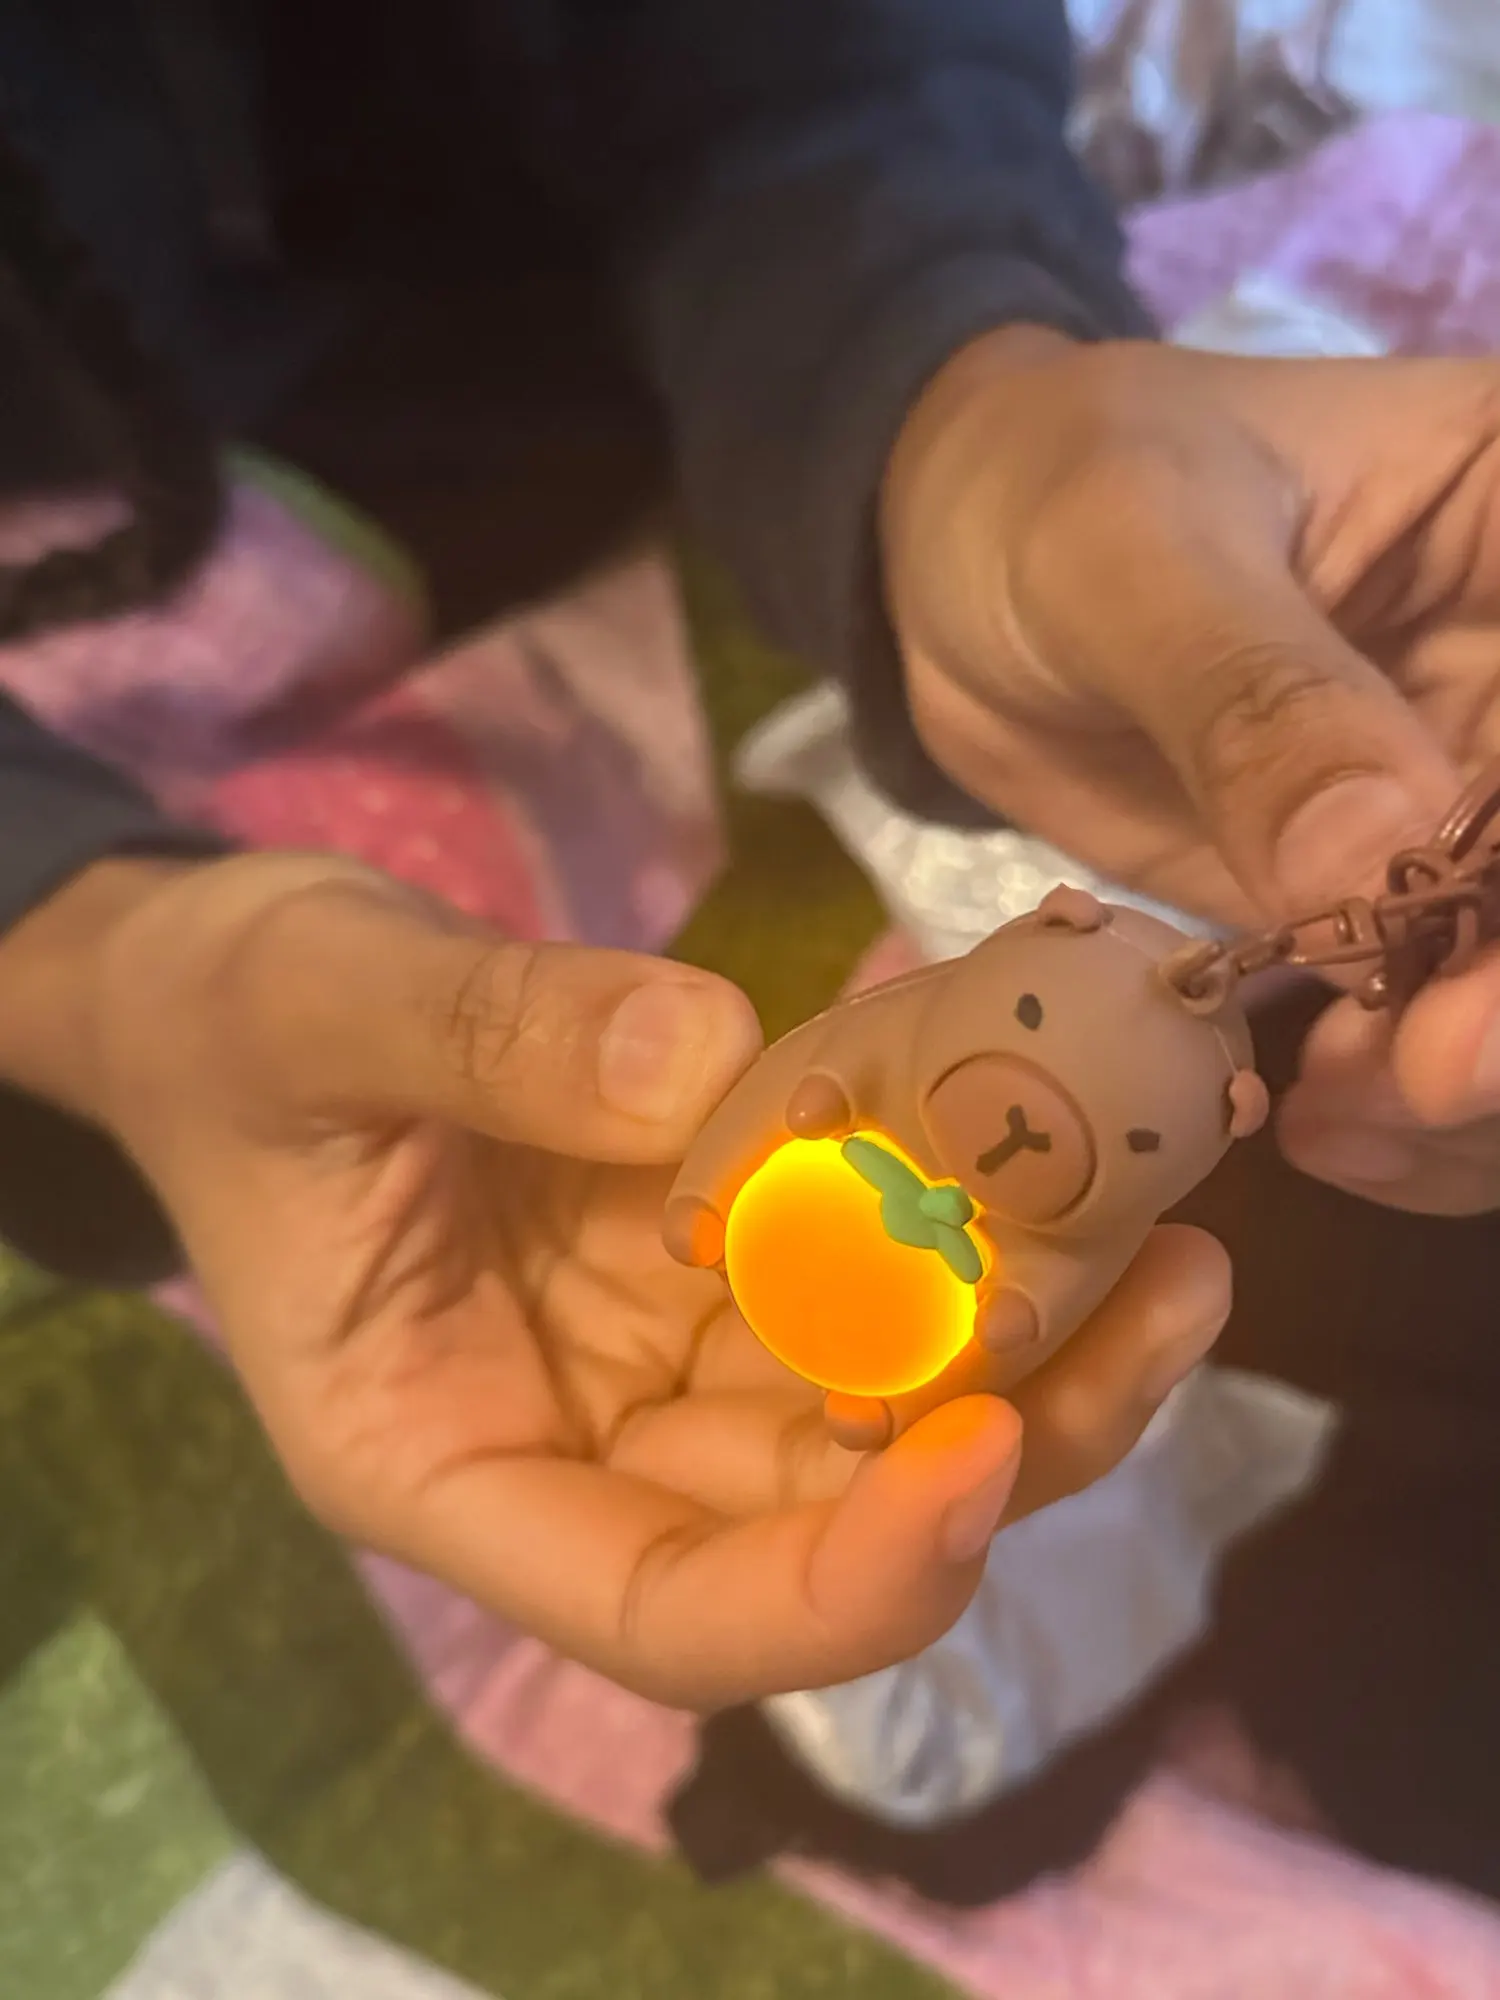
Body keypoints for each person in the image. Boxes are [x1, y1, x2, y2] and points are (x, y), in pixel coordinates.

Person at [3, 0, 1500, 1735]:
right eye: (1032, 1014)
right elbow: (808, 1093)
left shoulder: (1149, 1120)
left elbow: (806, 68)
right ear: (1043, 927)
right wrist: (83, 952)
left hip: (723, 321)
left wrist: (953, 405)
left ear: (1216, 1121)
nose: (1033, 1123)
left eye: (1146, 1143)